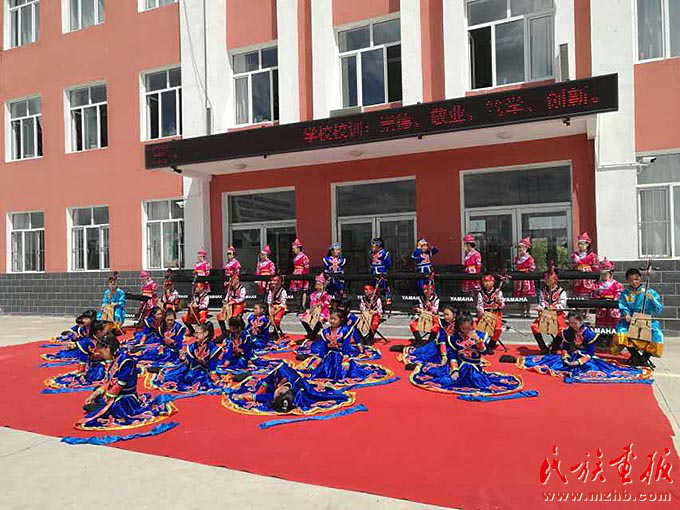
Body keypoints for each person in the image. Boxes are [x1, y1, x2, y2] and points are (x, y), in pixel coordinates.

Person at [76, 334, 176, 430]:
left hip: (125, 396)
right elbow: (110, 381)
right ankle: (102, 406)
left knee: (116, 409)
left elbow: (120, 384)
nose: (101, 356)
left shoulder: (125, 361)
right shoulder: (115, 358)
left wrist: (107, 399)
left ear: (107, 348)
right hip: (115, 392)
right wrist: (95, 394)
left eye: (102, 353)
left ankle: (104, 408)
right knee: (97, 391)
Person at [518, 311, 652, 383]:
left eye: (575, 323)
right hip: (572, 354)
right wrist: (565, 357)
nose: (573, 325)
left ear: (581, 321)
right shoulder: (568, 332)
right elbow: (565, 347)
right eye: (570, 323)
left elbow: (590, 353)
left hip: (585, 358)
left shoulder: (589, 334)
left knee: (590, 369)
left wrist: (577, 362)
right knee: (552, 362)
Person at [410, 313, 522, 397]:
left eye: (468, 328)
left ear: (472, 325)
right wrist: (454, 370)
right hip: (460, 366)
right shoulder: (454, 338)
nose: (466, 330)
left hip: (475, 367)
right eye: (463, 328)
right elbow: (452, 355)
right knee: (448, 381)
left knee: (480, 383)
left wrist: (478, 341)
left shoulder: (480, 335)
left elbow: (484, 353)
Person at [223, 360, 354, 416]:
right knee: (258, 382)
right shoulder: (285, 373)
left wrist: (244, 397)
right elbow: (270, 377)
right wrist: (262, 387)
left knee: (257, 387)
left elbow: (267, 397)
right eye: (276, 394)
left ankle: (240, 377)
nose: (274, 395)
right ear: (281, 390)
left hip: (278, 384)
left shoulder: (284, 393)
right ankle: (238, 376)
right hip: (281, 379)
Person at [302, 308, 391, 388]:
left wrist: (346, 360)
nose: (332, 321)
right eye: (331, 318)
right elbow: (323, 348)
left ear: (341, 320)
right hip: (329, 358)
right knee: (318, 372)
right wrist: (318, 360)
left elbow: (346, 346)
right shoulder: (325, 331)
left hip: (340, 357)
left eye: (334, 319)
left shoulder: (345, 330)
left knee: (343, 373)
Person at [149, 322, 225, 393]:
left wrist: (213, 375)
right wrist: (183, 359)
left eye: (197, 333)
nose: (195, 335)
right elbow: (189, 362)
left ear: (205, 333)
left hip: (204, 372)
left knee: (194, 378)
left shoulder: (213, 348)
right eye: (194, 332)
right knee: (171, 375)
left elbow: (212, 369)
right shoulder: (194, 346)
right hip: (193, 369)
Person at [615, 267, 664, 368]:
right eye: (631, 280)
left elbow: (659, 309)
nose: (634, 282)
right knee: (621, 331)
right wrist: (626, 315)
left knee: (657, 334)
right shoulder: (625, 293)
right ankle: (635, 356)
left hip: (647, 320)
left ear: (640, 278)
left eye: (636, 279)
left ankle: (644, 358)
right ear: (627, 280)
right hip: (631, 320)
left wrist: (652, 299)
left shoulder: (649, 291)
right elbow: (623, 307)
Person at [45, 321, 112, 390]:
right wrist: (81, 371)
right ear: (98, 331)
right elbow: (83, 358)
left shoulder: (108, 338)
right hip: (99, 367)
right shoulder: (87, 342)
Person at [531, 268, 567, 354]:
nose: (547, 279)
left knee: (562, 330)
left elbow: (562, 305)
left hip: (557, 315)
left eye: (549, 277)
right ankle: (543, 347)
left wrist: (554, 307)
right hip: (545, 314)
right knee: (534, 327)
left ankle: (555, 347)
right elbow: (542, 302)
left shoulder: (561, 291)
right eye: (546, 278)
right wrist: (540, 307)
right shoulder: (542, 291)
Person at [592, 258, 624, 334]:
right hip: (601, 308)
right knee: (601, 329)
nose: (603, 276)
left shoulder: (617, 285)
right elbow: (594, 294)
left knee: (614, 329)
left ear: (610, 274)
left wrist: (612, 300)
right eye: (602, 274)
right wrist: (599, 299)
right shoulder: (597, 285)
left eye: (605, 274)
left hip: (612, 308)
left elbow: (619, 295)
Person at [476, 274, 505, 353]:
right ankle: (481, 344)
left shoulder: (498, 292)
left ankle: (491, 345)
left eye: (489, 281)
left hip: (496, 313)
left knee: (498, 329)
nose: (487, 283)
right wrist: (482, 313)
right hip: (485, 313)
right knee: (480, 328)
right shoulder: (481, 293)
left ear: (493, 282)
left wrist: (499, 302)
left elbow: (502, 305)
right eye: (485, 281)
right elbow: (479, 305)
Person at [299, 274, 331, 343]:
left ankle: (312, 335)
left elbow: (327, 303)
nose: (317, 285)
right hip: (314, 310)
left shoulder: (325, 294)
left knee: (320, 319)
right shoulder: (313, 294)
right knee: (303, 318)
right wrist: (312, 308)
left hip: (323, 310)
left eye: (319, 284)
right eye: (316, 284)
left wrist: (321, 304)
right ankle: (311, 333)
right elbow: (312, 304)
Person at [570, 232, 598, 298]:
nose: (580, 246)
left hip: (588, 279)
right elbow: (572, 266)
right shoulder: (575, 255)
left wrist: (593, 278)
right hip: (578, 278)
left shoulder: (593, 255)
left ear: (587, 244)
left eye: (582, 244)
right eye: (579, 244)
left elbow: (596, 269)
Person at [513, 237, 536, 317]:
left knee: (527, 296)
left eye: (522, 247)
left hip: (527, 279)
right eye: (519, 247)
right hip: (519, 279)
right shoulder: (517, 258)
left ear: (526, 248)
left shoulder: (529, 258)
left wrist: (526, 270)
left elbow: (532, 268)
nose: (520, 249)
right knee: (520, 296)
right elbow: (515, 267)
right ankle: (522, 311)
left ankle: (528, 311)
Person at [369, 238, 392, 303]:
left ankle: (387, 301)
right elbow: (370, 263)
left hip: (381, 273)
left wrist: (384, 272)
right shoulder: (371, 253)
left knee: (384, 287)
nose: (373, 247)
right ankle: (375, 302)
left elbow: (388, 264)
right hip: (373, 273)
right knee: (374, 288)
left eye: (375, 245)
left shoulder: (384, 253)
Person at [290, 238, 310, 307]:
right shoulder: (295, 257)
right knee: (296, 291)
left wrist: (305, 275)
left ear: (298, 248)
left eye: (294, 249)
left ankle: (303, 305)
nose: (293, 250)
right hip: (296, 273)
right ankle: (298, 305)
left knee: (303, 290)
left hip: (302, 273)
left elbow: (306, 267)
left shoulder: (304, 256)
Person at [266, 274, 288, 339]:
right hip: (272, 307)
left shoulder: (283, 291)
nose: (273, 282)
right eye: (272, 280)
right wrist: (270, 309)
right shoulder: (270, 290)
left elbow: (283, 303)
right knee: (265, 317)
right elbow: (269, 301)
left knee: (276, 319)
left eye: (275, 280)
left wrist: (275, 312)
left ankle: (275, 333)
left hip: (280, 308)